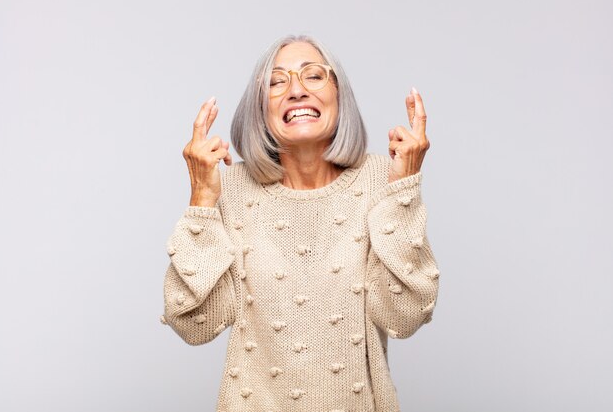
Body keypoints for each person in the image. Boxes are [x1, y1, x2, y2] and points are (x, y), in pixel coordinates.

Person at [161, 34, 439, 412]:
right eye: (276, 81)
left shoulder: (383, 177)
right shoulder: (227, 188)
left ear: (339, 95)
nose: (296, 90)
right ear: (261, 108)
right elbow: (194, 325)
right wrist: (201, 201)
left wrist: (403, 190)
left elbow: (404, 317)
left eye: (313, 76)